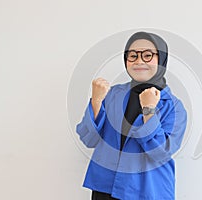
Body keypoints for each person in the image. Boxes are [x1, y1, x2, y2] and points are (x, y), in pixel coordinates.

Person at [76, 31, 187, 200]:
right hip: (106, 187)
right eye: (132, 56)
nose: (139, 61)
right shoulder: (112, 94)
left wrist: (149, 110)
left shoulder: (174, 107)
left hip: (147, 190)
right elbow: (88, 139)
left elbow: (160, 153)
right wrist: (96, 101)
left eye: (147, 55)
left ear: (162, 59)